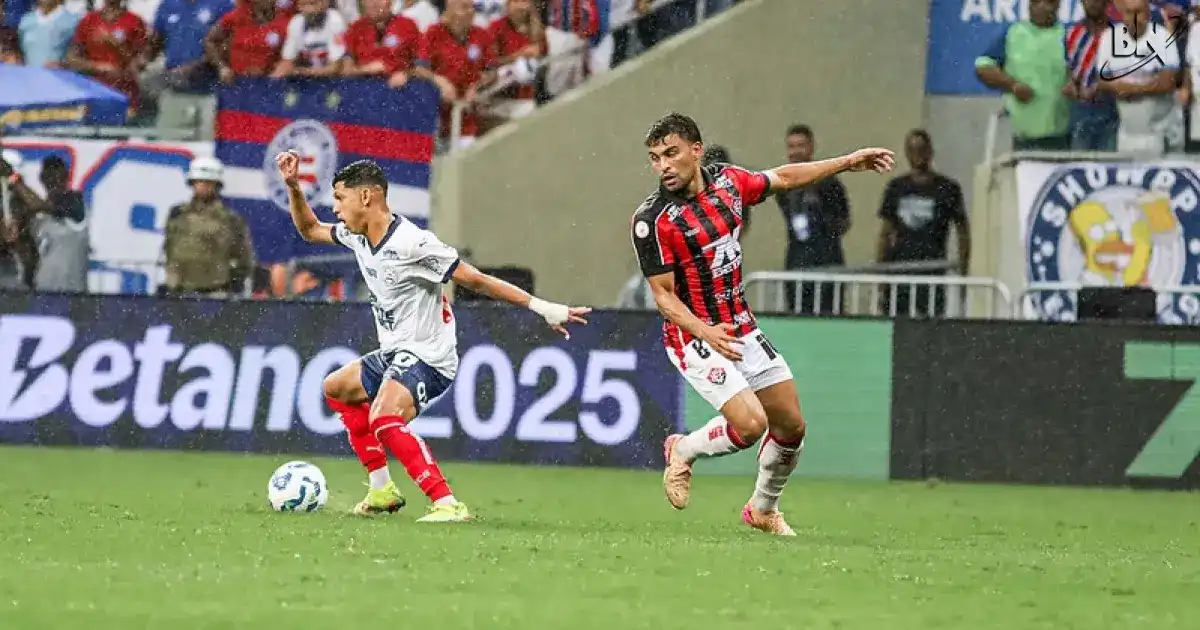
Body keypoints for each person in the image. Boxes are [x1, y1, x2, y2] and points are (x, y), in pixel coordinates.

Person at [275, 151, 590, 523]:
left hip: (429, 356)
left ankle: (447, 504)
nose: (335, 208)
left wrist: (542, 307)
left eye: (340, 198)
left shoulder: (414, 243)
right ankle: (381, 491)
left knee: (384, 417)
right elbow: (310, 230)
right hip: (396, 352)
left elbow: (476, 280)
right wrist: (294, 186)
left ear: (367, 196)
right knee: (336, 388)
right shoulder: (357, 238)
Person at [630, 113, 893, 536]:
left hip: (740, 327)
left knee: (791, 426)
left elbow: (783, 177)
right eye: (655, 157)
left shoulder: (730, 183)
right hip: (692, 335)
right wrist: (705, 331)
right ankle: (683, 449)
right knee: (751, 425)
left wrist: (847, 162)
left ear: (696, 151)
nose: (663, 165)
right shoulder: (653, 220)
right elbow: (663, 296)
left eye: (671, 153)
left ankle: (762, 509)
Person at [875, 129, 969, 318]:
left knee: (931, 324)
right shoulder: (896, 187)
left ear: (930, 151)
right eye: (912, 149)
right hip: (900, 272)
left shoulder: (947, 188)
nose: (917, 154)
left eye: (921, 149)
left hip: (932, 272)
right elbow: (885, 234)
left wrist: (963, 269)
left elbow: (963, 231)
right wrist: (881, 276)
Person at [775, 124, 850, 315]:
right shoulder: (783, 185)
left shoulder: (829, 182)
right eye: (791, 146)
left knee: (829, 314)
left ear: (811, 147)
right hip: (797, 259)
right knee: (797, 313)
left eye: (801, 146)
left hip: (826, 260)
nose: (796, 152)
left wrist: (822, 223)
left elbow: (844, 221)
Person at [161, 157, 255, 297]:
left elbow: (243, 256)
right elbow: (169, 248)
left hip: (216, 290)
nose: (202, 186)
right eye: (198, 181)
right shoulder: (178, 214)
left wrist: (235, 281)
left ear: (216, 185)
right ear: (192, 183)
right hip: (180, 290)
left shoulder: (230, 219)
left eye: (208, 182)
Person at [3, 156, 89, 293]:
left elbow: (38, 205)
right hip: (43, 293)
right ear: (42, 178)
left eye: (59, 176)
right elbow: (27, 255)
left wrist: (13, 178)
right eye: (49, 176)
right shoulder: (38, 220)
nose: (54, 181)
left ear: (67, 176)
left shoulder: (74, 203)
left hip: (72, 293)